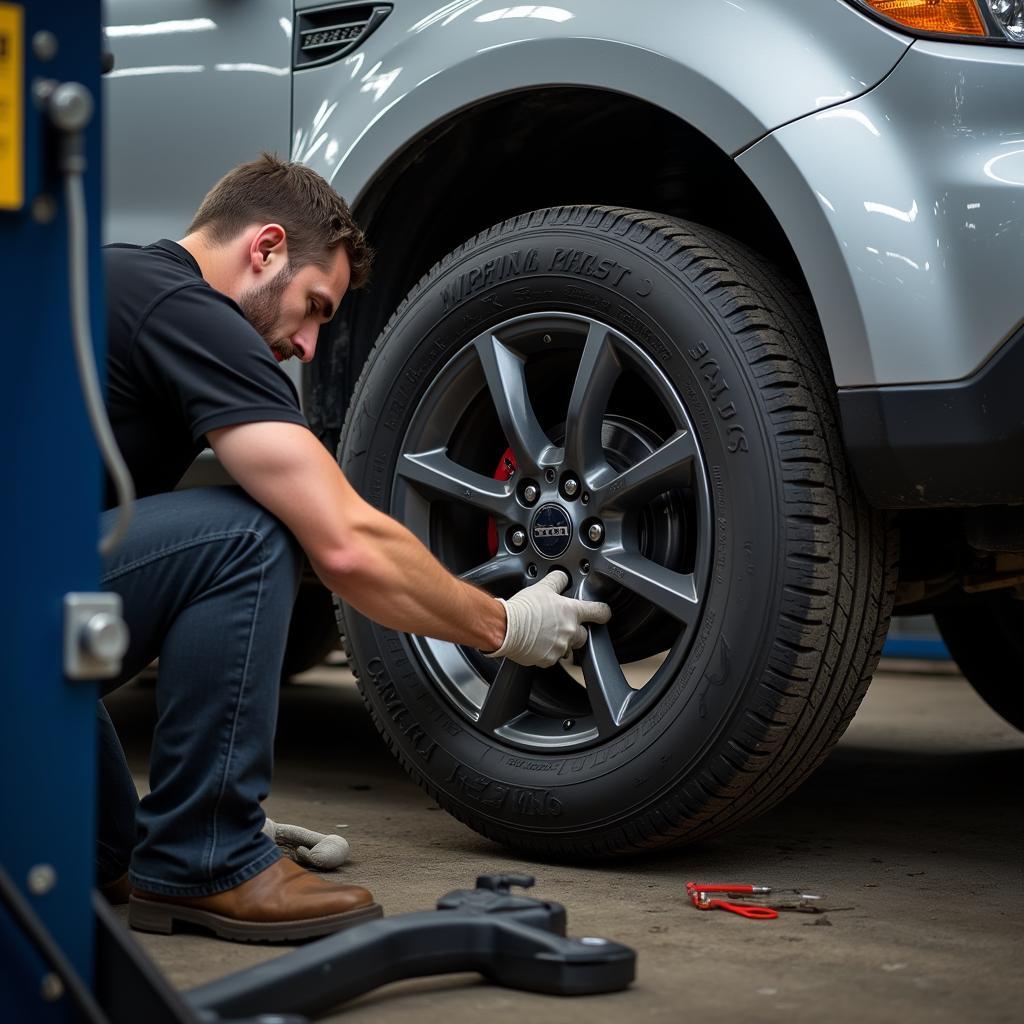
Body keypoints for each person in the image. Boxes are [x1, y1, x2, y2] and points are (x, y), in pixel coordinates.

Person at [98, 154, 611, 943]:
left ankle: (162, 850)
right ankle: (207, 858)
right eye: (313, 308)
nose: (307, 345)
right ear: (264, 248)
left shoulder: (115, 282)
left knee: (107, 851)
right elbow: (343, 542)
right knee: (252, 529)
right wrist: (503, 625)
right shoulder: (190, 310)